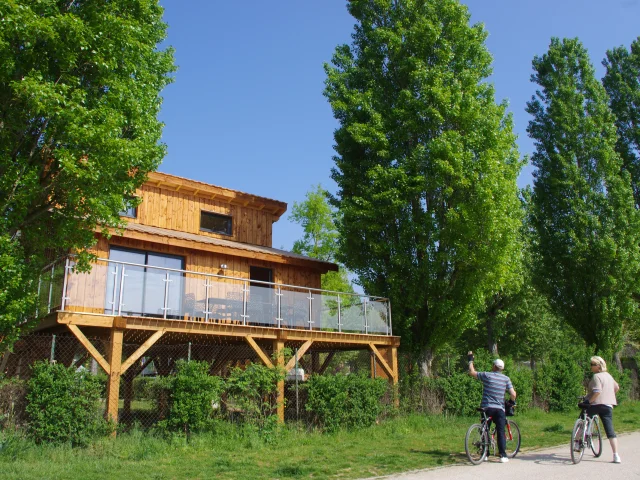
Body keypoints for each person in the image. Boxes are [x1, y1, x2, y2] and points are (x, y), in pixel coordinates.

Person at [467, 351, 517, 463]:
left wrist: (470, 359)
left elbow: (472, 372)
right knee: (500, 430)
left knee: (485, 429)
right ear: (502, 369)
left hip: (486, 408)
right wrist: (511, 402)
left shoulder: (487, 375)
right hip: (499, 409)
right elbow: (513, 394)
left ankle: (485, 454)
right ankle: (503, 456)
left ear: (494, 366)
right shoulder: (506, 379)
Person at [584, 356, 621, 464]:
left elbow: (597, 391)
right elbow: (617, 387)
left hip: (596, 404)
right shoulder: (609, 376)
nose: (590, 366)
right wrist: (609, 395)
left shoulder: (596, 376)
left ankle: (577, 441)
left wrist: (589, 401)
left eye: (592, 364)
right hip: (608, 406)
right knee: (610, 431)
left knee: (583, 417)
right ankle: (616, 455)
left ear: (598, 366)